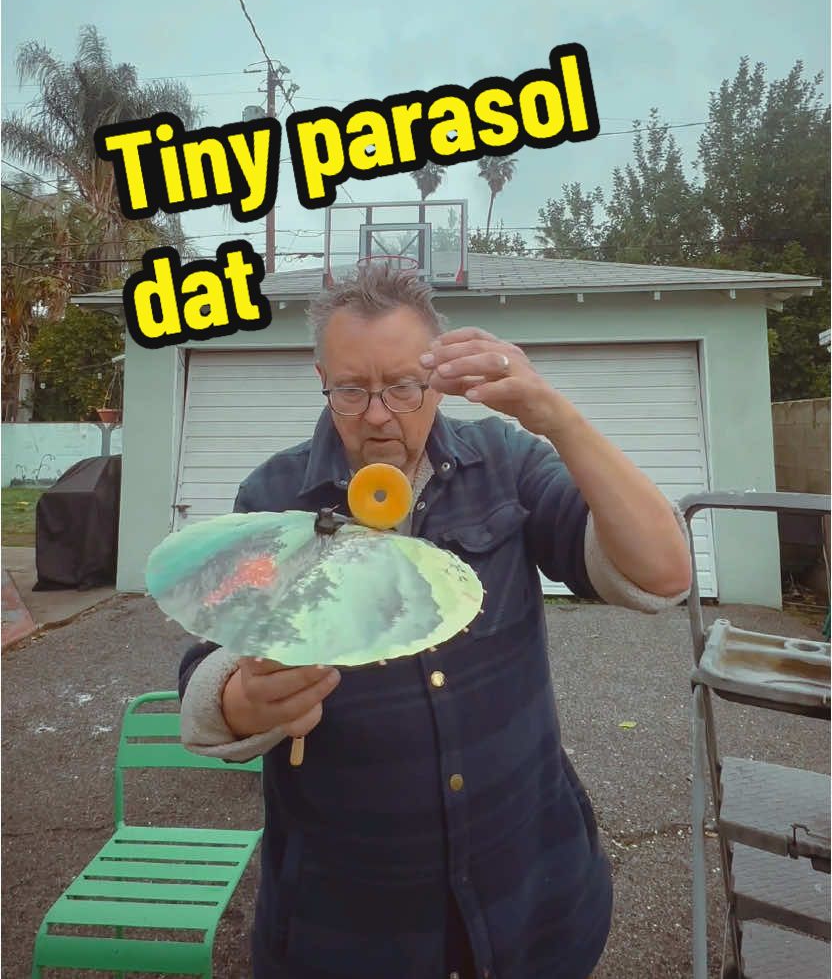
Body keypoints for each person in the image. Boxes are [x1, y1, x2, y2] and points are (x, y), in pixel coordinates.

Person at [179, 264, 691, 979]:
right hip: (346, 933)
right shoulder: (274, 497)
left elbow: (661, 573)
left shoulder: (506, 464)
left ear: (438, 378)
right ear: (322, 378)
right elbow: (205, 675)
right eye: (352, 391)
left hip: (535, 904)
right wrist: (242, 699)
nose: (379, 415)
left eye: (402, 386)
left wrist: (553, 414)